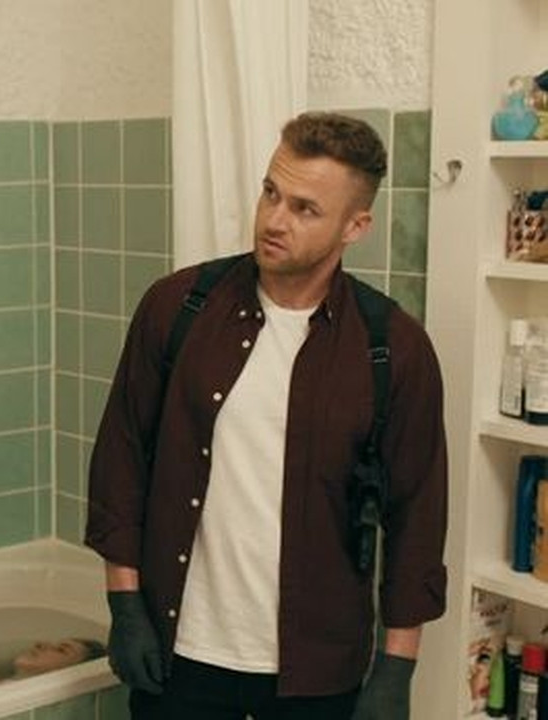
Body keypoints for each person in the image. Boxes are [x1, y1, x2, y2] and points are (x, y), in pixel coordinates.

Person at [85, 112, 447, 720]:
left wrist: (395, 670)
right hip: (181, 654)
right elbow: (121, 461)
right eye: (271, 193)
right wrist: (125, 606)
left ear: (355, 225)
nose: (275, 220)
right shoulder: (177, 307)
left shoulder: (393, 348)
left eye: (305, 209)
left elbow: (417, 518)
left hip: (317, 672)